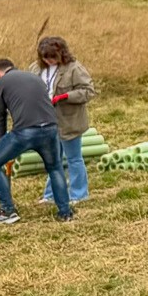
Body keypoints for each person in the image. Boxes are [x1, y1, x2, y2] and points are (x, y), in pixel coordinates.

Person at [0, 57, 72, 225]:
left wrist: (2, 142)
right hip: (51, 128)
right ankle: (65, 212)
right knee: (55, 167)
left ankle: (7, 210)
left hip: (25, 131)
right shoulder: (34, 78)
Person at [31, 35, 95, 206]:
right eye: (45, 57)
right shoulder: (35, 69)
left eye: (53, 57)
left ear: (61, 54)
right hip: (46, 121)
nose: (49, 61)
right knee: (53, 160)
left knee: (74, 159)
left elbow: (88, 91)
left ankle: (79, 194)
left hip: (69, 121)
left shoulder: (74, 68)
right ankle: (50, 194)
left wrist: (66, 96)